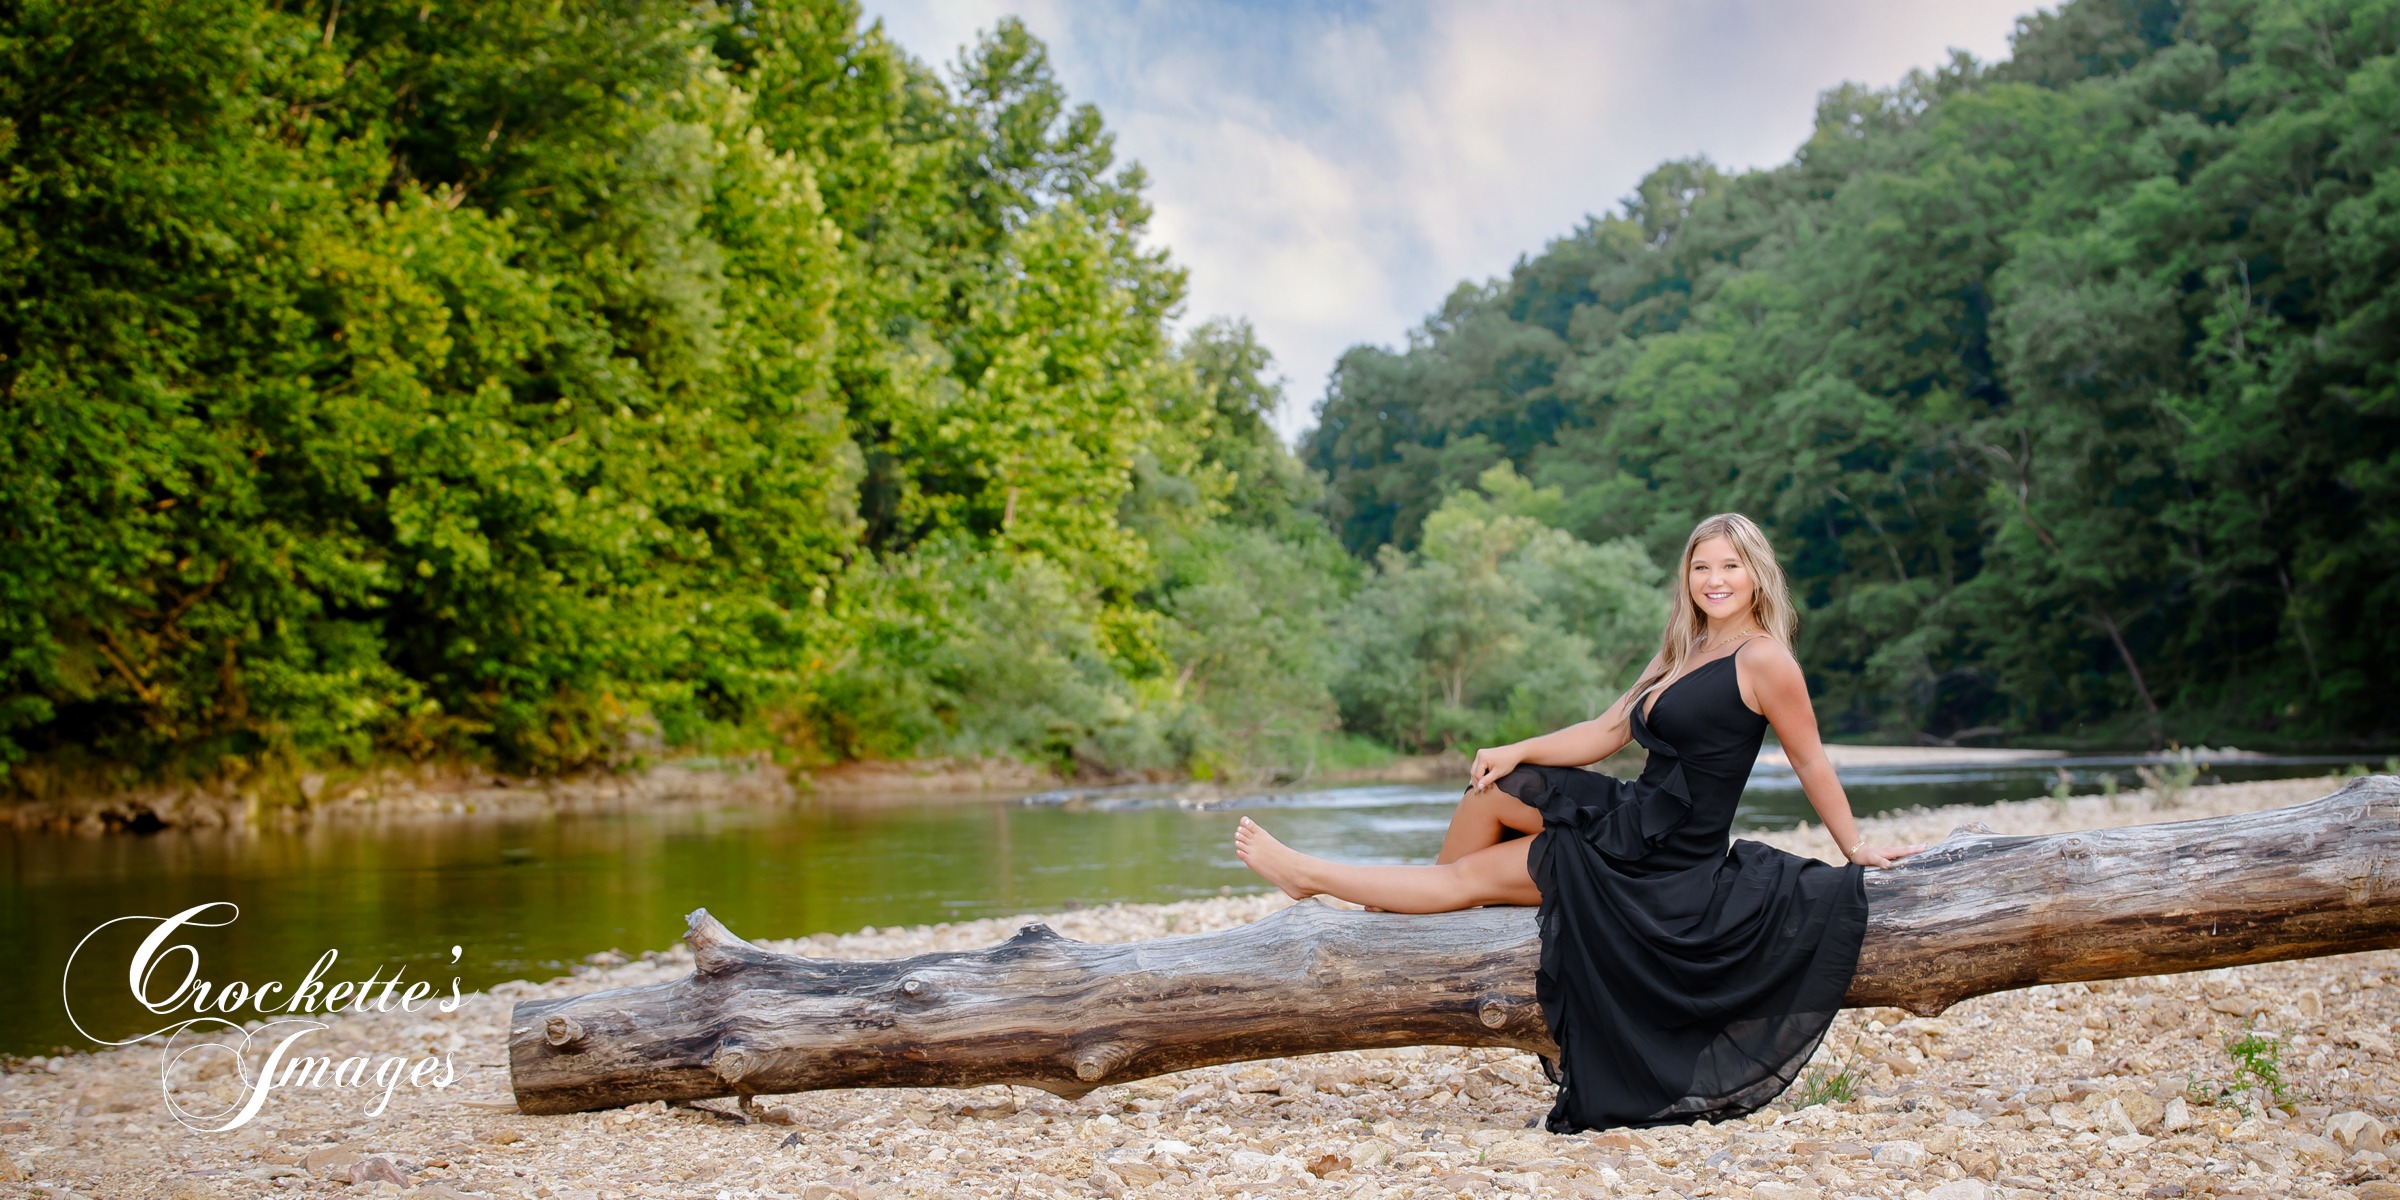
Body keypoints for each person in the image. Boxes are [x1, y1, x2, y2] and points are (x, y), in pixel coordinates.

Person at [1234, 511, 1925, 1132]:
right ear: (1687, 576)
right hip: (1632, 812)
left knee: (1474, 875)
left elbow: (1809, 761)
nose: (1714, 580)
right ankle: (1421, 901)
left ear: (1756, 575)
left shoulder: (1765, 659)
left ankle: (1311, 876)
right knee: (1492, 790)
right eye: (1701, 566)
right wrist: (1519, 748)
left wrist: (1855, 845)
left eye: (1729, 566)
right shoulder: (1683, 648)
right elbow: (1603, 732)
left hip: (1665, 858)